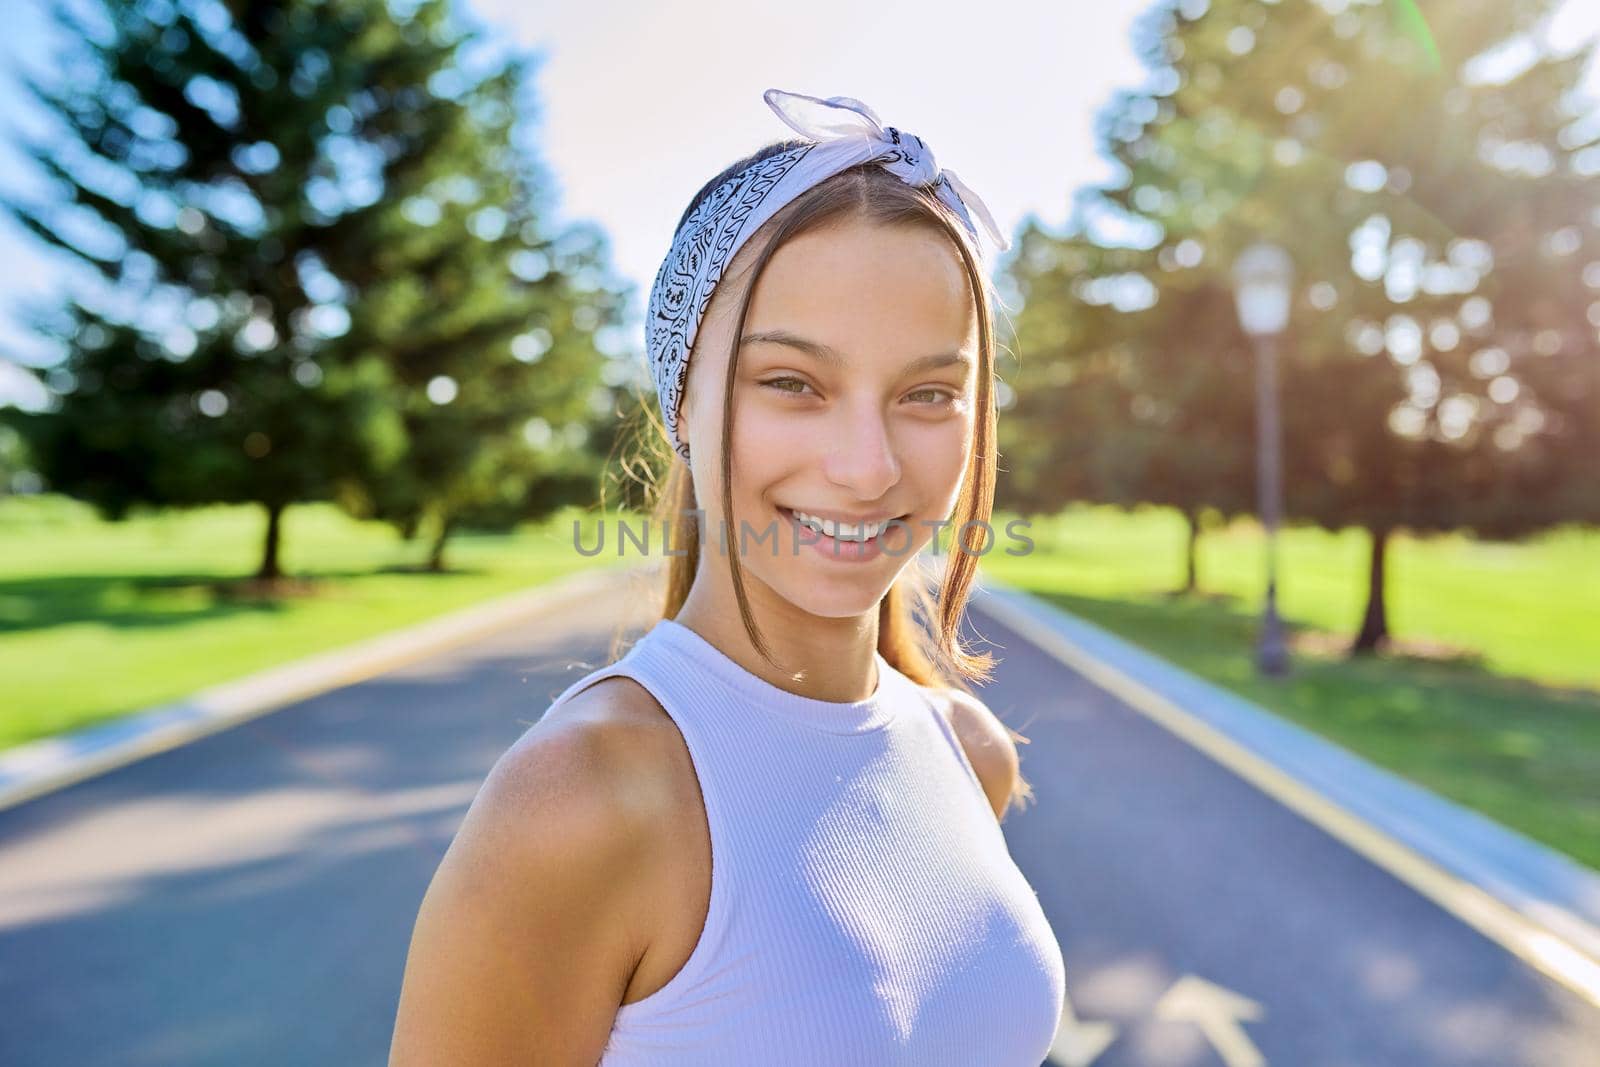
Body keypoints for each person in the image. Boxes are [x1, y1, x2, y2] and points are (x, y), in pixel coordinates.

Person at [388, 88, 1066, 1066]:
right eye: (792, 382)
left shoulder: (972, 752)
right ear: (683, 402)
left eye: (927, 393)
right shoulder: (580, 799)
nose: (866, 464)